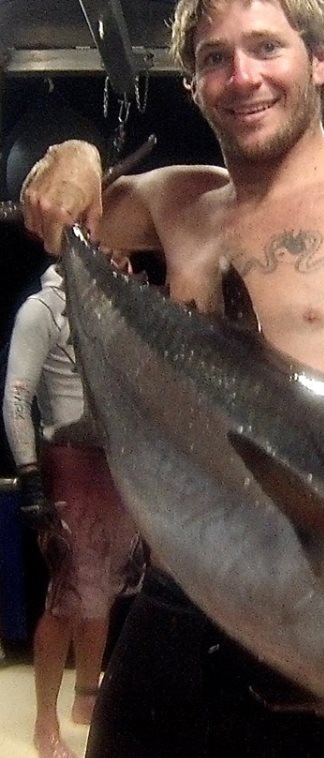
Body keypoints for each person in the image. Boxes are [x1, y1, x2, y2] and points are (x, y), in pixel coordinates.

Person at [20, 1, 324, 756]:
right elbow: (75, 209)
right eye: (214, 58)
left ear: (322, 57)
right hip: (169, 614)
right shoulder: (182, 204)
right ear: (195, 85)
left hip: (321, 638)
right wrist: (75, 152)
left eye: (266, 47)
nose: (242, 77)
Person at [2, 262, 141, 758]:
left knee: (103, 588)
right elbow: (17, 397)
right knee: (67, 595)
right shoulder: (42, 311)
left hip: (115, 463)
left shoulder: (111, 306)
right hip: (69, 464)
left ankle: (87, 697)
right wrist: (31, 474)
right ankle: (45, 719)